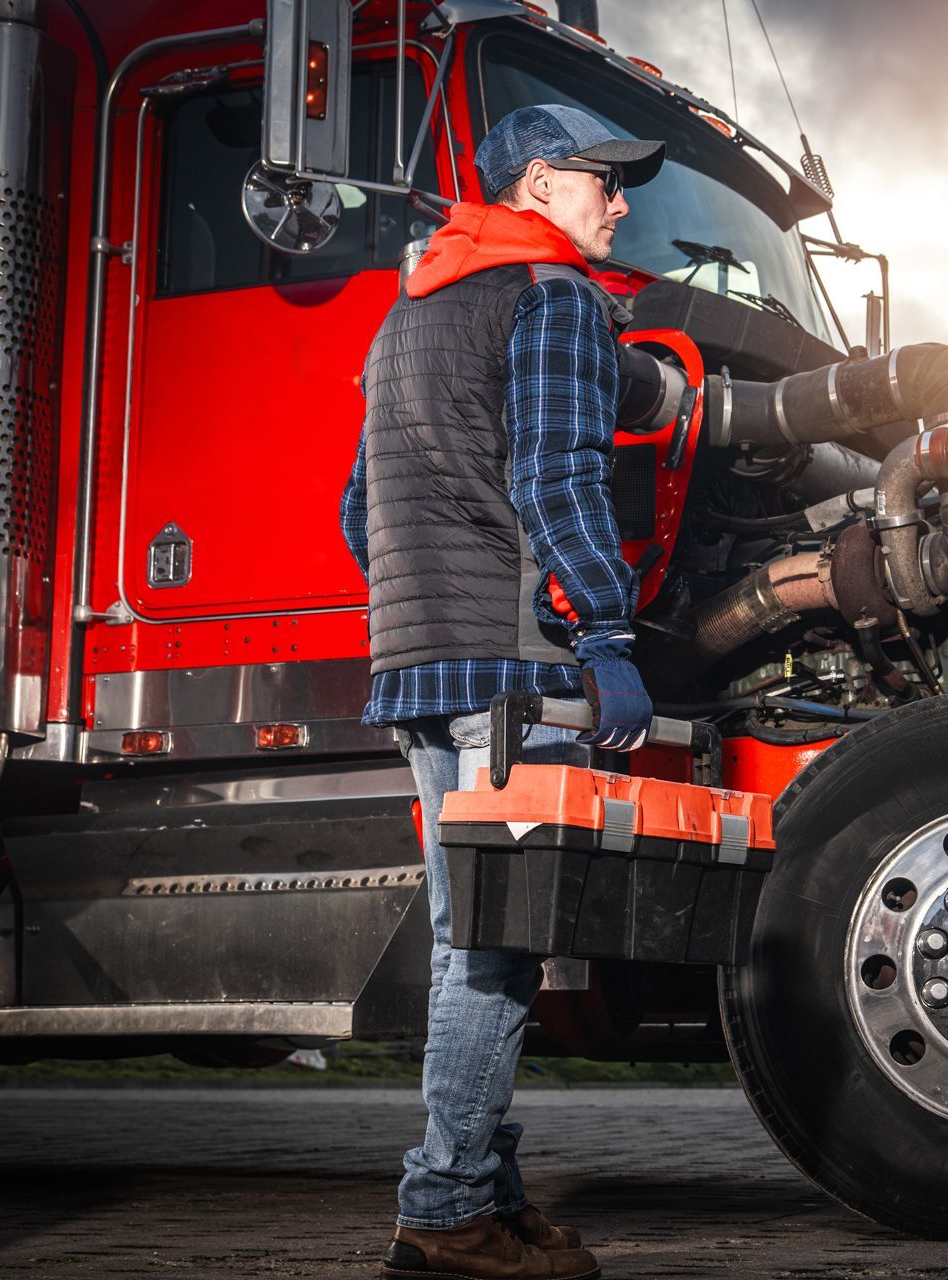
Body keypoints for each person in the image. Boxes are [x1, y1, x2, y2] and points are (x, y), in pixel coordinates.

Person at [341, 104, 670, 1280]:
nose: (619, 203)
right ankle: (442, 1214)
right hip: (513, 666)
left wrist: (426, 606)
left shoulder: (411, 312)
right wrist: (610, 630)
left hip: (418, 662)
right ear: (539, 183)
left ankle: (487, 1190)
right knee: (497, 947)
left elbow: (355, 511)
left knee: (472, 935)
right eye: (605, 182)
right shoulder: (558, 296)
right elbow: (559, 477)